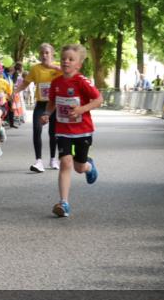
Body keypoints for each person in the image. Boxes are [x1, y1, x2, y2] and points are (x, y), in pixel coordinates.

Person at [41, 44, 103, 218]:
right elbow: (52, 102)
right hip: (63, 130)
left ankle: (88, 166)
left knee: (78, 167)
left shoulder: (81, 81)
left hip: (83, 130)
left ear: (78, 64)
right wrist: (46, 114)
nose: (66, 62)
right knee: (65, 162)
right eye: (63, 59)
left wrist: (82, 109)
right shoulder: (56, 82)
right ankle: (64, 203)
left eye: (70, 59)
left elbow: (98, 99)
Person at [15, 44, 62, 172]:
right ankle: (39, 161)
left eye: (47, 53)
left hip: (55, 104)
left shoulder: (59, 67)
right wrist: (15, 92)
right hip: (41, 104)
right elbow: (25, 83)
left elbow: (70, 75)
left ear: (52, 54)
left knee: (53, 133)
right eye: (42, 53)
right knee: (37, 129)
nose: (44, 55)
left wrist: (54, 67)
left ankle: (53, 159)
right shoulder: (35, 69)